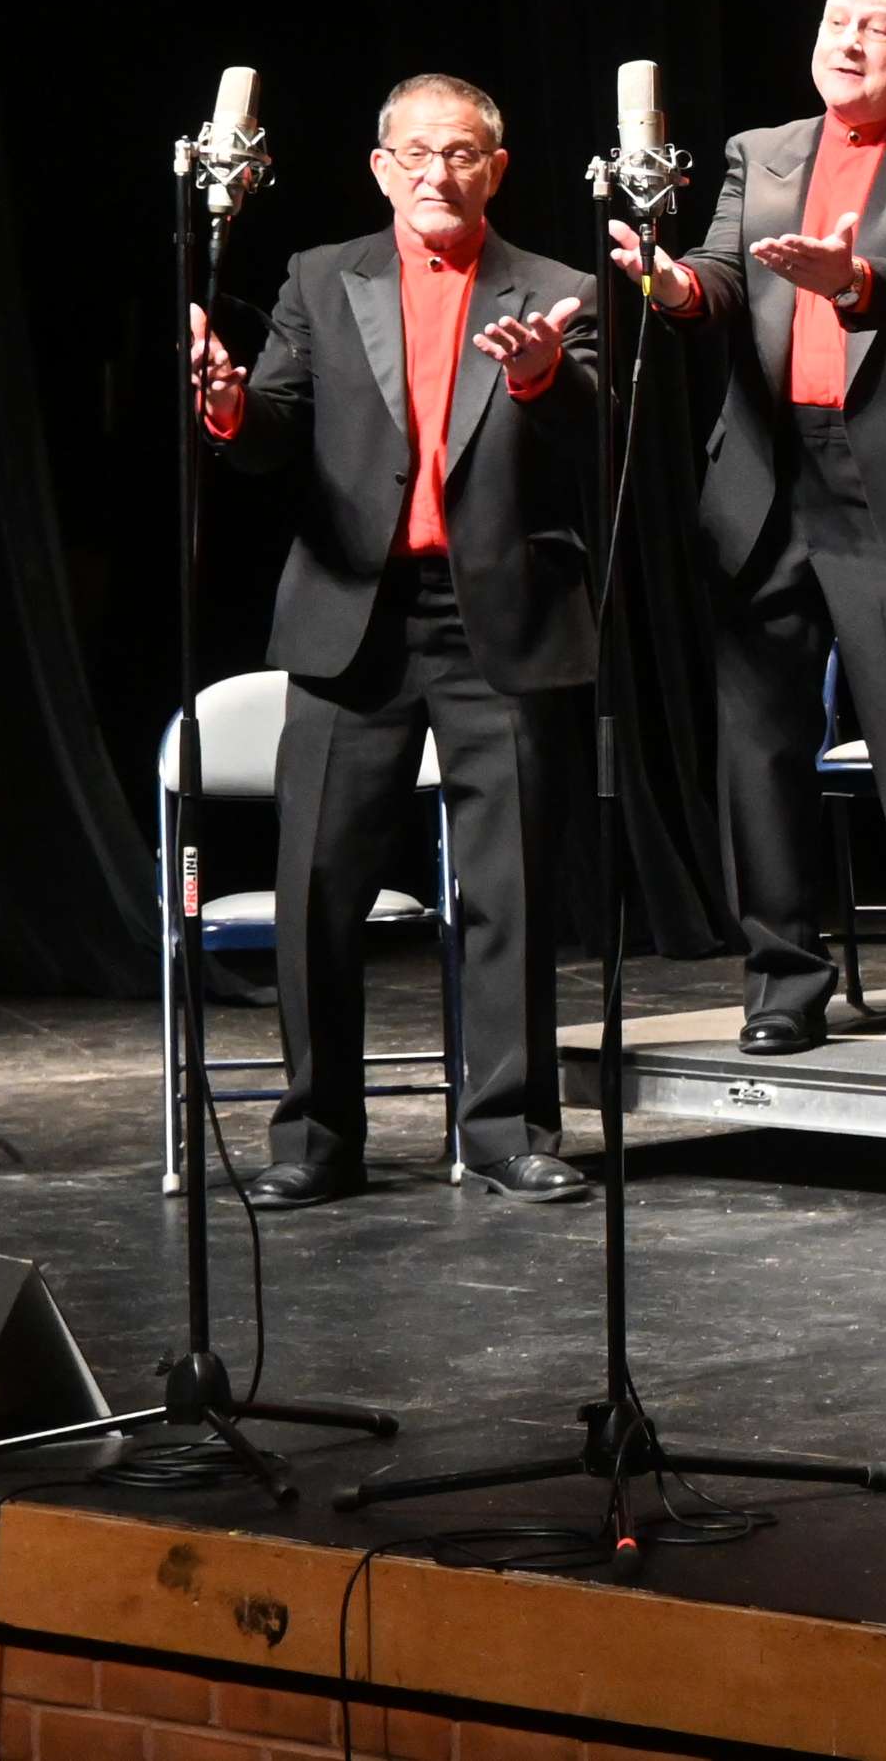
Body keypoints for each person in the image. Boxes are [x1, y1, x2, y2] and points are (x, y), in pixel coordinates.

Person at [611, 0, 886, 1058]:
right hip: (765, 472)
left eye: (877, 29)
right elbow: (717, 276)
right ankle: (783, 983)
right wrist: (673, 287)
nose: (848, 41)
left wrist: (851, 281)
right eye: (836, 21)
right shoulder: (762, 151)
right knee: (758, 748)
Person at [189, 74, 597, 1207]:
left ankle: (509, 1130)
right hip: (352, 614)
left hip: (499, 616)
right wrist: (227, 403)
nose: (437, 172)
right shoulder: (323, 277)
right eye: (415, 153)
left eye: (460, 153)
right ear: (381, 168)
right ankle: (316, 1138)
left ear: (495, 170)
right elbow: (274, 429)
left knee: (510, 890)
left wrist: (542, 376)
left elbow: (599, 435)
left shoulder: (558, 289)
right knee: (318, 884)